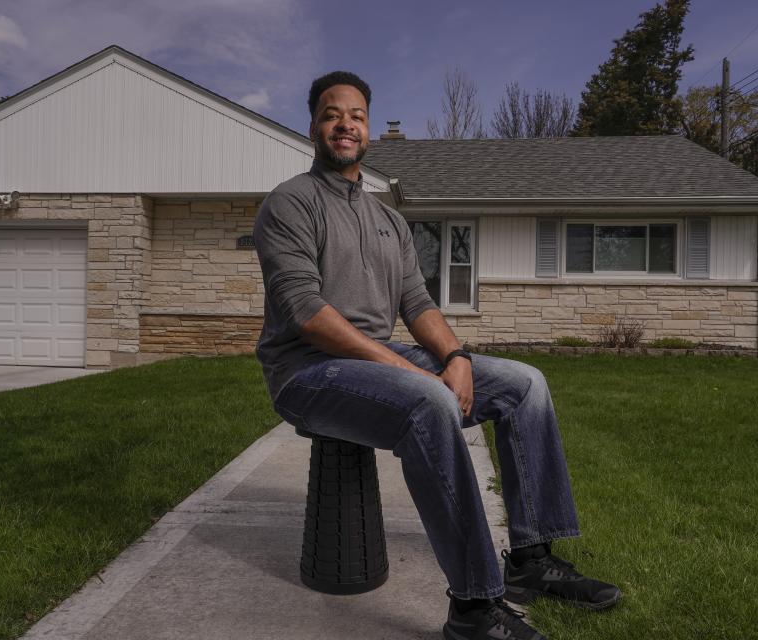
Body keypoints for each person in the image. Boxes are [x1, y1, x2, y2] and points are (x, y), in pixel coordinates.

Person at [253, 70, 620, 640]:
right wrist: (406, 371)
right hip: (308, 372)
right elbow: (307, 313)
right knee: (428, 402)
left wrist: (456, 357)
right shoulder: (290, 204)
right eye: (331, 114)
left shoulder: (388, 221)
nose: (344, 123)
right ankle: (473, 610)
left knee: (526, 384)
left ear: (368, 129)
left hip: (376, 360)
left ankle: (530, 560)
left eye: (356, 115)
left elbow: (417, 301)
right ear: (313, 127)